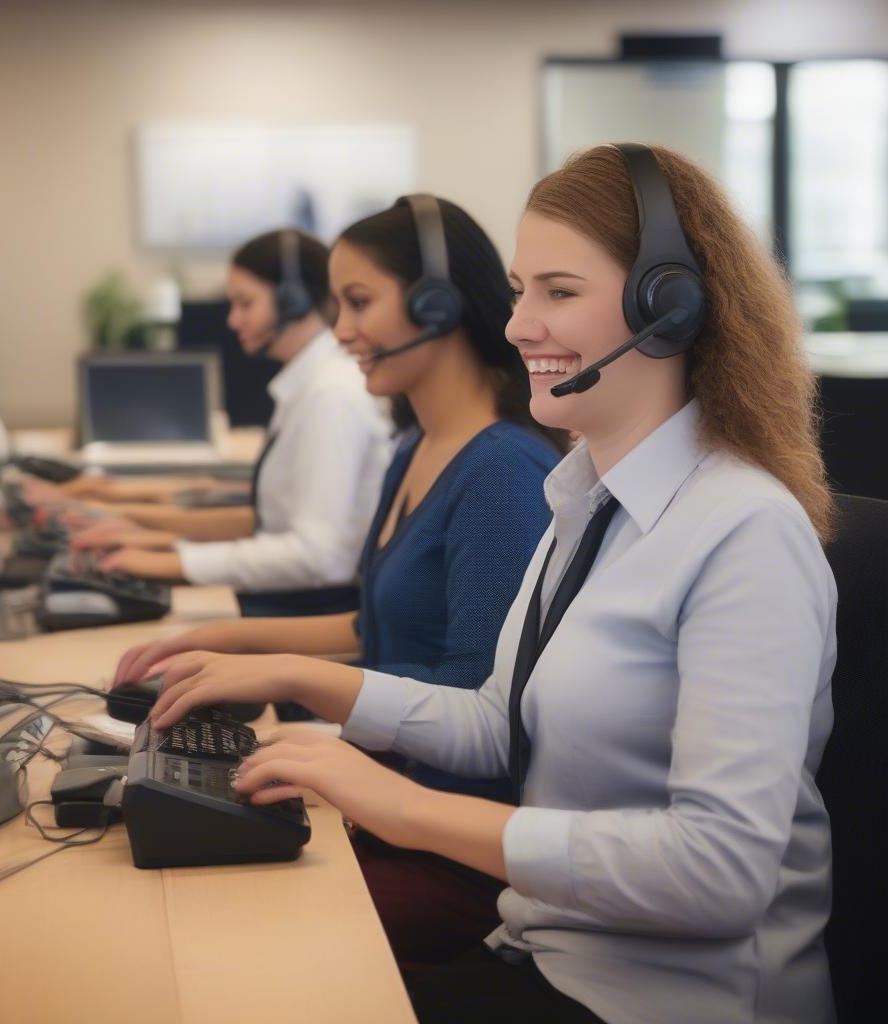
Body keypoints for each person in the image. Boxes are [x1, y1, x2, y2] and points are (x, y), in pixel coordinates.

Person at [141, 144, 838, 1023]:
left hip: (661, 998)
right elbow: (495, 717)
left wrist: (402, 808)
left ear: (668, 306)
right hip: (547, 948)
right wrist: (318, 726)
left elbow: (719, 870)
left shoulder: (744, 532)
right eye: (518, 291)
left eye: (558, 291)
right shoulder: (586, 497)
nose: (516, 326)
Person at [112, 196, 567, 969]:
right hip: (382, 789)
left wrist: (306, 709)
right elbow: (370, 629)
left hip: (450, 839)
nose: (342, 331)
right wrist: (223, 642)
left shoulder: (502, 474)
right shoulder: (416, 445)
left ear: (437, 304)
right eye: (337, 305)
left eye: (359, 303)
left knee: (219, 933)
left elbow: (477, 705)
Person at [44, 230, 393, 613]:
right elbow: (267, 523)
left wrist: (171, 562)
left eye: (245, 303)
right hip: (293, 598)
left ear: (292, 302)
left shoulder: (331, 396)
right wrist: (161, 543)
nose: (232, 319)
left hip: (314, 607)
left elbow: (316, 556)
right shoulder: (308, 386)